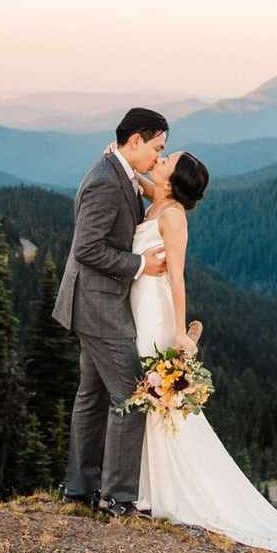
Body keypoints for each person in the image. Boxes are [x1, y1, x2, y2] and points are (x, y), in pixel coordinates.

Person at [130, 150, 277, 553]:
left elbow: (179, 277)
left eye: (168, 158)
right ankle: (149, 485)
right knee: (153, 396)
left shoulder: (173, 216)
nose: (161, 156)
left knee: (158, 395)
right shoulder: (160, 201)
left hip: (156, 311)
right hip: (141, 303)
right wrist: (124, 163)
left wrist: (181, 333)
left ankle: (161, 489)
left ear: (174, 179)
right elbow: (145, 185)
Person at [52, 107, 169, 518]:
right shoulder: (105, 181)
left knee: (92, 395)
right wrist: (140, 265)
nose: (158, 157)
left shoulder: (116, 171)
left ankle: (80, 489)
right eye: (157, 147)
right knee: (132, 396)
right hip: (100, 305)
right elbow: (86, 248)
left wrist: (140, 180)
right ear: (134, 141)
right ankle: (118, 498)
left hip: (92, 301)